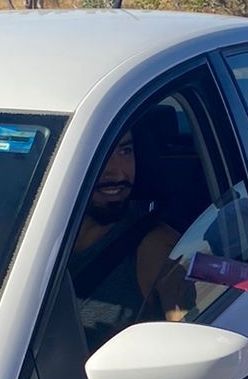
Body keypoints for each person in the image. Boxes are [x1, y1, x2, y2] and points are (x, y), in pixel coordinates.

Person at [70, 128, 190, 353]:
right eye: (100, 154)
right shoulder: (11, 234)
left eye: (125, 151)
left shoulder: (156, 248)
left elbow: (196, 344)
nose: (117, 173)